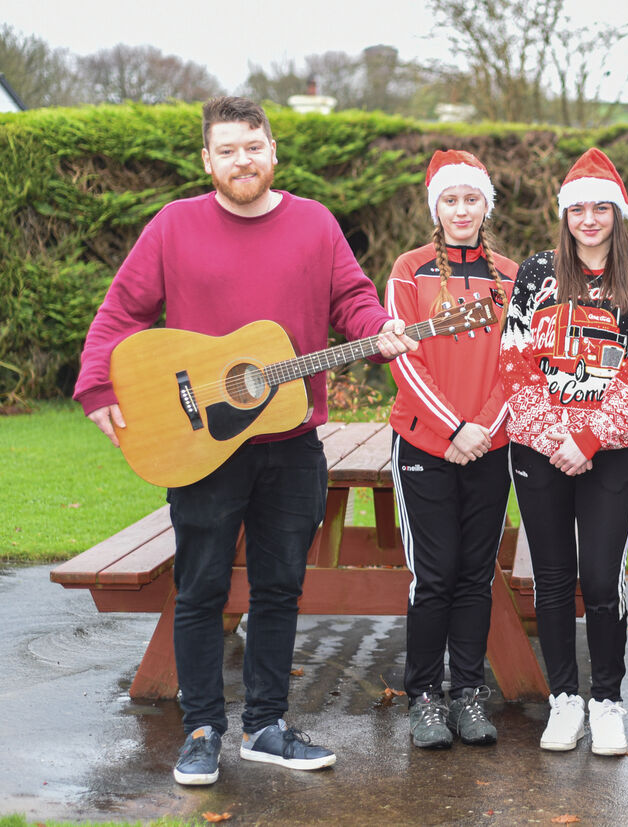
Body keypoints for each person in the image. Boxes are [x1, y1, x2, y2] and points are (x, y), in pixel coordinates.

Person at [73, 96, 416, 787]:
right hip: (199, 442)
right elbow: (121, 313)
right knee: (199, 588)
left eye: (252, 146)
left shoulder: (315, 224)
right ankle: (201, 728)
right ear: (207, 160)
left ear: (273, 151)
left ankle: (266, 725)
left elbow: (352, 298)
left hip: (290, 443)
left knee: (279, 587)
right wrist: (98, 388)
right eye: (226, 150)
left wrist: (380, 328)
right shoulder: (173, 226)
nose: (242, 160)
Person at [500, 147, 628, 755]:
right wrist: (555, 439)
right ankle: (564, 700)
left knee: (601, 577)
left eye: (601, 208)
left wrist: (588, 440)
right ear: (564, 213)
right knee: (550, 577)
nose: (589, 219)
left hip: (609, 452)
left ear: (618, 214)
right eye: (578, 208)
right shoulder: (534, 274)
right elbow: (514, 362)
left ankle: (608, 700)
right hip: (539, 448)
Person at [384, 150, 517, 749]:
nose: (461, 210)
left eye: (471, 199)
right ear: (435, 207)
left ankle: (467, 693)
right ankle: (425, 700)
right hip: (423, 444)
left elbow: (521, 366)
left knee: (474, 576)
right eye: (450, 200)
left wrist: (483, 429)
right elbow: (403, 359)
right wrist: (452, 428)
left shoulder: (514, 276)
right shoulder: (408, 271)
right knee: (433, 577)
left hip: (492, 443)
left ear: (486, 205)